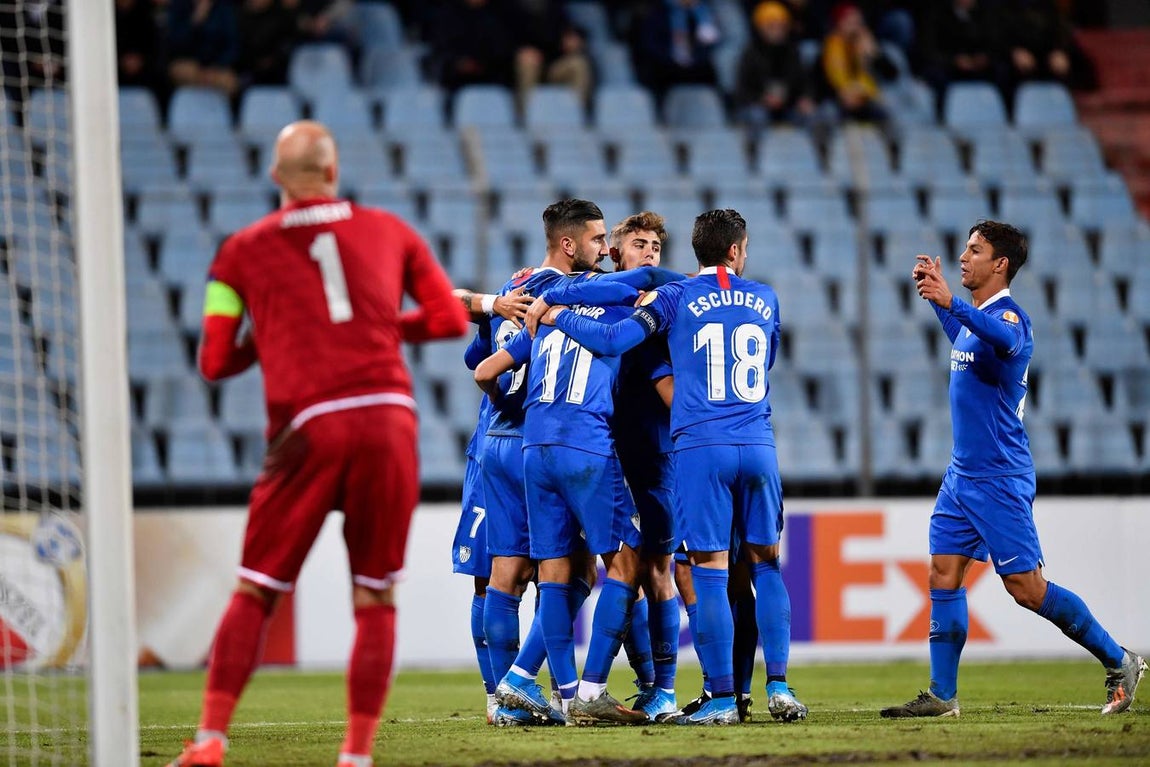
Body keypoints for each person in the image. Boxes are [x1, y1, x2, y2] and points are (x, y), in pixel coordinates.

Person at [166, 121, 469, 767]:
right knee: (377, 593)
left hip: (309, 427)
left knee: (255, 589)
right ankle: (355, 755)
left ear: (276, 178)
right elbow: (446, 316)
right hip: (389, 418)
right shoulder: (391, 229)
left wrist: (271, 335)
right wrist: (383, 326)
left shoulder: (238, 253)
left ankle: (211, 741)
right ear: (334, 172)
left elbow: (215, 361)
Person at [535, 209, 807, 725]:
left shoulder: (676, 296)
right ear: (736, 250)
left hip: (699, 448)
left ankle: (723, 699)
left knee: (706, 571)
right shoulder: (766, 297)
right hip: (758, 441)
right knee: (766, 565)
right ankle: (779, 688)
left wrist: (553, 310)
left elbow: (615, 335)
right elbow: (764, 359)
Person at [881, 221, 1146, 718]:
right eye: (964, 248)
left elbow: (998, 337)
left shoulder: (1012, 321)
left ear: (999, 264)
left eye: (974, 250)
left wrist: (952, 302)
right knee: (943, 571)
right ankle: (943, 696)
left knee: (1026, 589)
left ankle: (1121, 660)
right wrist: (940, 303)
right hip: (962, 476)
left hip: (999, 477)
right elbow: (963, 337)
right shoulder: (976, 320)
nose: (963, 257)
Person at [477, 202, 654, 726]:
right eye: (602, 241)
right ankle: (592, 692)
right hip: (585, 446)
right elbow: (626, 332)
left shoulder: (543, 305)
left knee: (553, 571)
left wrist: (511, 405)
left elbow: (486, 369)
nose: (606, 248)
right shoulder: (623, 301)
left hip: (534, 445)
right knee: (624, 564)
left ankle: (541, 687)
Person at [735, 1, 816, 132]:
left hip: (786, 107)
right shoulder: (750, 54)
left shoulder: (792, 52)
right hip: (758, 108)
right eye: (771, 26)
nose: (777, 31)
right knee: (757, 116)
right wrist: (763, 99)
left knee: (813, 116)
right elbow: (742, 92)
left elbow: (804, 84)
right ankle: (755, 152)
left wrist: (805, 99)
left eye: (781, 26)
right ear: (760, 28)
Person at [820, 2, 888, 123]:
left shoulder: (866, 44)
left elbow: (891, 75)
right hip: (840, 98)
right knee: (828, 111)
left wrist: (875, 54)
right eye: (850, 23)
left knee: (887, 107)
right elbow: (826, 81)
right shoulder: (830, 46)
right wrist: (845, 92)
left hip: (866, 97)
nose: (855, 27)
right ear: (839, 24)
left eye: (858, 23)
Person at [167, 0, 241, 97]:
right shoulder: (179, 6)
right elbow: (175, 43)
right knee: (181, 71)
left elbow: (232, 45)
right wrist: (195, 22)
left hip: (217, 67)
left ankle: (219, 110)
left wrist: (216, 67)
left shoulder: (224, 8)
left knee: (230, 82)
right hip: (189, 65)